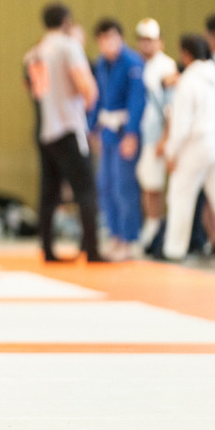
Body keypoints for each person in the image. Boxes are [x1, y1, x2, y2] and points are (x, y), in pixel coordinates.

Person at [25, 3, 101, 262]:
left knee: (49, 191)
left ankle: (47, 248)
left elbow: (35, 90)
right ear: (66, 20)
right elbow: (86, 87)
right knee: (86, 189)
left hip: (45, 128)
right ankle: (92, 249)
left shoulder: (34, 53)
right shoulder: (68, 47)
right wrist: (86, 102)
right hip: (68, 125)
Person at [89, 18, 146, 261]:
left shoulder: (133, 62)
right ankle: (115, 235)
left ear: (120, 37)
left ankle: (130, 238)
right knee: (105, 185)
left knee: (125, 186)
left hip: (125, 130)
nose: (108, 43)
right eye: (103, 39)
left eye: (112, 37)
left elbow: (137, 101)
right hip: (108, 130)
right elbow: (97, 99)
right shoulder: (101, 63)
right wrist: (93, 129)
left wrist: (132, 133)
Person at [162, 35, 215, 260]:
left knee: (180, 196)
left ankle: (174, 250)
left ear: (186, 54)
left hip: (195, 144)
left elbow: (181, 125)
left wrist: (170, 153)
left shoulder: (188, 81)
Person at [134, 18, 178, 247]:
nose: (146, 45)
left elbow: (171, 106)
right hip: (143, 134)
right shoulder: (138, 65)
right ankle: (149, 227)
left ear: (159, 42)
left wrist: (165, 137)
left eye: (150, 40)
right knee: (145, 182)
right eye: (142, 40)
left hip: (157, 136)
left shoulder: (166, 66)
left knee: (154, 186)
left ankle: (154, 228)